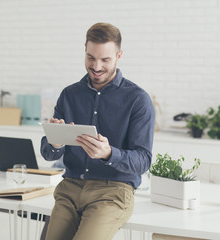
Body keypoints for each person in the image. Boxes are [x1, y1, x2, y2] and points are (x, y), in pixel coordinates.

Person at [41, 22, 155, 240]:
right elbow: (48, 153)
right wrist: (56, 142)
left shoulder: (138, 100)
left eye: (105, 59)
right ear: (85, 50)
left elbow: (143, 161)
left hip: (113, 192)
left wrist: (109, 154)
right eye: (91, 58)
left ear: (119, 56)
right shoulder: (69, 95)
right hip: (70, 189)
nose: (96, 66)